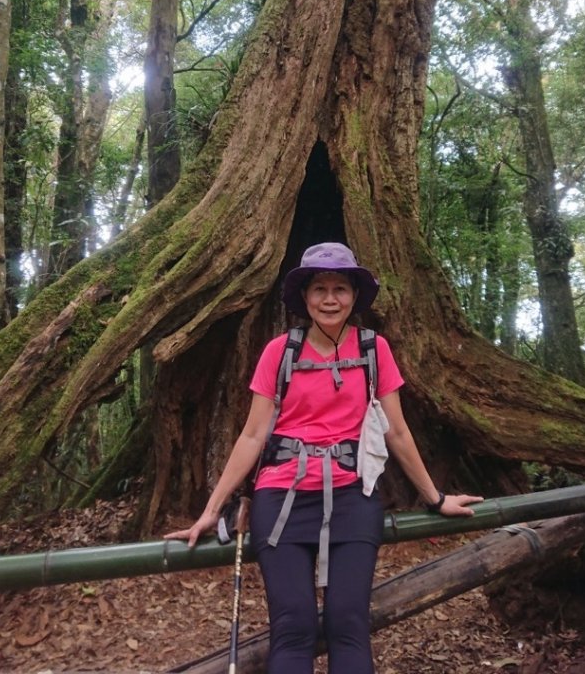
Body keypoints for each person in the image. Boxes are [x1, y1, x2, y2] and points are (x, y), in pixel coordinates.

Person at [164, 242, 482, 673]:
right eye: (319, 288)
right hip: (281, 497)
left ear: (353, 296)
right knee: (292, 625)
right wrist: (210, 510)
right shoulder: (280, 352)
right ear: (305, 296)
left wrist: (435, 498)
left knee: (347, 622)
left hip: (353, 495)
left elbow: (397, 431)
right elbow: (254, 434)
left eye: (339, 288)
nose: (330, 299)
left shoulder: (374, 350)